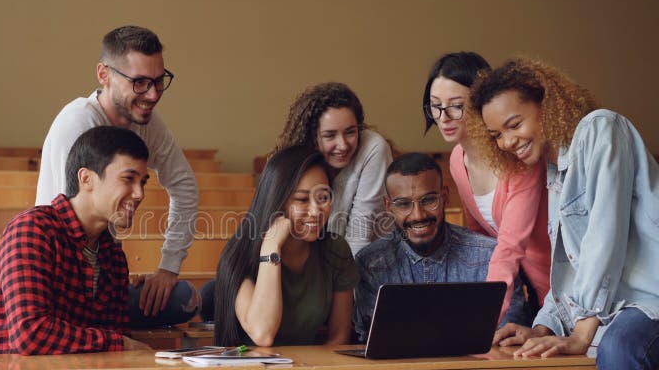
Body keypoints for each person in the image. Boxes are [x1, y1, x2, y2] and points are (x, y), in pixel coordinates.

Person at [469, 58, 659, 370]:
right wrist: (543, 328)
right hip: (612, 310)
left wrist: (581, 334)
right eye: (497, 135)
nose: (508, 142)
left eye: (514, 124)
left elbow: (606, 237)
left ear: (547, 105)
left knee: (618, 345)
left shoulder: (601, 129)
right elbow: (571, 270)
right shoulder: (553, 170)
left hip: (650, 302)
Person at [0, 126, 195, 355]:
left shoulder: (113, 256)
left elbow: (112, 335)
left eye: (142, 182)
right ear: (86, 179)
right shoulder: (33, 230)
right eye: (128, 179)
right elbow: (30, 335)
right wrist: (121, 343)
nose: (139, 194)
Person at [35, 25, 198, 317]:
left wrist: (168, 267)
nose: (152, 94)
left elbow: (184, 185)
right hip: (65, 280)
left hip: (104, 266)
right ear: (104, 75)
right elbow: (73, 223)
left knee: (185, 298)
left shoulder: (145, 118)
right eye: (139, 82)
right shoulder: (77, 124)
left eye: (159, 81)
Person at [423, 52, 548, 325]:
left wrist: (482, 321)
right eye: (435, 106)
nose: (443, 117)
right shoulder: (457, 160)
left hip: (562, 287)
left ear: (481, 104)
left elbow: (509, 248)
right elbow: (480, 242)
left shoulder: (519, 160)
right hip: (529, 296)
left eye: (456, 106)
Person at [353, 153, 529, 341]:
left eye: (428, 200)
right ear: (388, 206)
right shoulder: (370, 263)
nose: (418, 215)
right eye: (403, 204)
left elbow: (509, 338)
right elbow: (372, 342)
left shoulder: (490, 256)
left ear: (445, 197)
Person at [214, 146, 358, 348]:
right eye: (302, 199)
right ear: (277, 200)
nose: (317, 211)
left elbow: (339, 338)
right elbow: (263, 334)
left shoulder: (335, 249)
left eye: (323, 198)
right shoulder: (239, 256)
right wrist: (271, 248)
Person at [274, 82, 393, 255]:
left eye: (350, 132)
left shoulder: (373, 148)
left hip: (365, 265)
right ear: (312, 137)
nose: (343, 145)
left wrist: (338, 280)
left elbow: (360, 235)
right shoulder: (298, 161)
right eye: (330, 135)